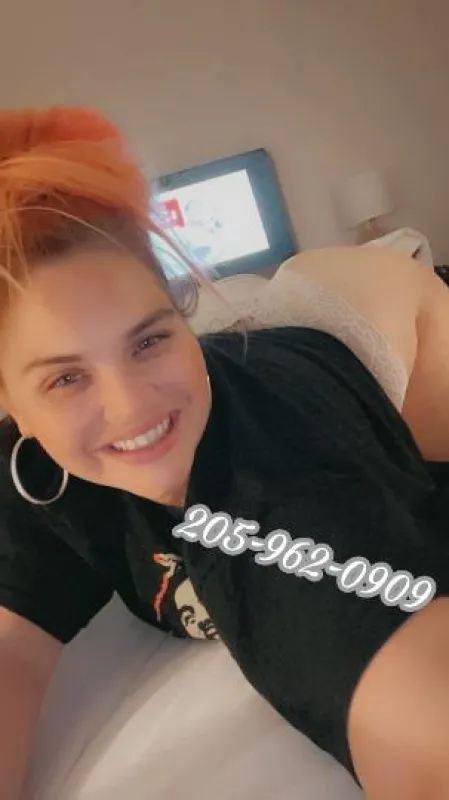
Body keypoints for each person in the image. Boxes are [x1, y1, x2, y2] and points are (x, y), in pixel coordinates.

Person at [1, 107, 449, 800]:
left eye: (150, 339)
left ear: (182, 317)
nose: (131, 407)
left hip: (376, 310)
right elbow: (11, 653)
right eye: (66, 378)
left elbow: (412, 706)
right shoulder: (28, 468)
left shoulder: (285, 492)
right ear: (13, 406)